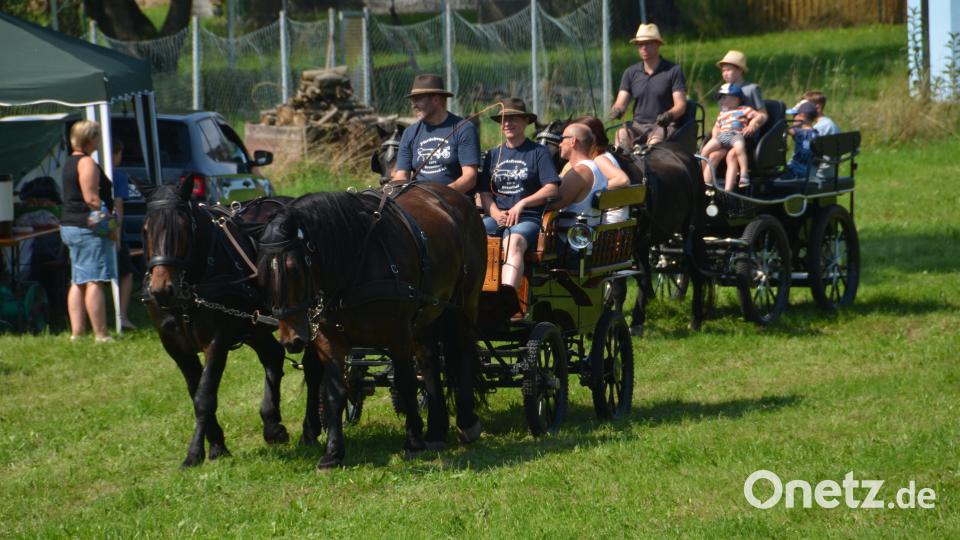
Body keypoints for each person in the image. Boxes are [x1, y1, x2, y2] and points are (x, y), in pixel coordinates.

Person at [477, 98, 560, 293]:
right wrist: (496, 213)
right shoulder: (493, 154)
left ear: (526, 122)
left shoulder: (538, 152)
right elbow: (485, 193)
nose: (507, 123)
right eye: (504, 119)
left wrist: (522, 203)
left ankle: (506, 299)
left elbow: (552, 188)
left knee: (513, 241)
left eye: (513, 119)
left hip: (527, 217)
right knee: (470, 236)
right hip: (497, 217)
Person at [60, 120, 116, 343]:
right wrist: (110, 225)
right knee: (94, 279)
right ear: (90, 139)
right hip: (86, 227)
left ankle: (77, 333)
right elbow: (92, 199)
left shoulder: (69, 162)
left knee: (78, 280)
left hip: (70, 225)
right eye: (97, 136)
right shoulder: (86, 163)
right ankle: (101, 334)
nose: (99, 140)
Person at [392, 73, 480, 193]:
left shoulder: (464, 128)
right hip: (418, 200)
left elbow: (470, 177)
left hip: (454, 202)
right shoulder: (410, 133)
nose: (413, 105)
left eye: (418, 99)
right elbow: (401, 175)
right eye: (413, 100)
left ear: (436, 100)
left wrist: (441, 195)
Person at [607, 23, 687, 149]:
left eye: (648, 43)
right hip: (637, 126)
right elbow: (621, 103)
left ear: (658, 44)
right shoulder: (630, 72)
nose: (643, 47)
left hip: (663, 126)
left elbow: (681, 105)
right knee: (621, 136)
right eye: (640, 44)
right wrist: (616, 110)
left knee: (651, 148)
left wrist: (669, 115)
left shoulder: (673, 70)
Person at [568, 116, 631, 223]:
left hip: (609, 221)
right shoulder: (600, 157)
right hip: (610, 216)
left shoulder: (600, 159)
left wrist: (593, 190)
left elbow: (622, 180)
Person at [699, 83, 762, 191]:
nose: (720, 101)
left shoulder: (744, 109)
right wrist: (715, 136)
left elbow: (759, 115)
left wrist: (753, 123)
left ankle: (741, 176)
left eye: (723, 98)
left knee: (737, 150)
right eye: (719, 98)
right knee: (707, 151)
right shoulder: (722, 113)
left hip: (736, 135)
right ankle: (702, 179)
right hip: (722, 137)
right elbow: (717, 126)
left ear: (735, 98)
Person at [111, 142, 135, 330]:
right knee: (126, 274)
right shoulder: (118, 176)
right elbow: (118, 206)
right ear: (116, 154)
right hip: (115, 232)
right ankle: (122, 316)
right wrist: (118, 237)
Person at [783, 100, 819, 179]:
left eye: (795, 115)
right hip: (808, 170)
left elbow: (785, 129)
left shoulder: (800, 132)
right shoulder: (815, 133)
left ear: (801, 116)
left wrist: (781, 120)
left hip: (796, 171)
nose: (793, 118)